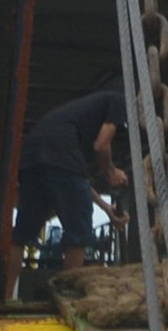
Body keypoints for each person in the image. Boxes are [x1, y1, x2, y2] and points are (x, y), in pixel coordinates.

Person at [15, 84, 129, 272]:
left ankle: (9, 296)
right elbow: (101, 145)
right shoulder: (118, 100)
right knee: (79, 234)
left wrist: (106, 208)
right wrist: (111, 170)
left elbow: (74, 179)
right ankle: (68, 296)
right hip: (59, 154)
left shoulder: (78, 121)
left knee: (21, 235)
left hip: (32, 157)